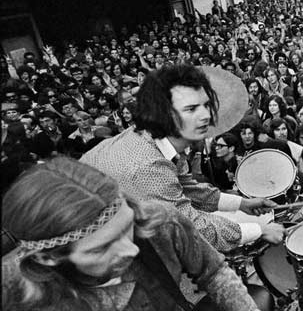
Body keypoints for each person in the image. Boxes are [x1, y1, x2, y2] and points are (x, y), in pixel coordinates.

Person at [1, 159, 270, 311]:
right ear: (46, 258)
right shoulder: (7, 287)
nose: (130, 250)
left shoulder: (162, 223)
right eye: (102, 247)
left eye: (127, 227)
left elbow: (212, 271)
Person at [81, 64, 284, 253]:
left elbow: (187, 188)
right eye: (191, 109)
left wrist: (241, 203)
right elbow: (192, 229)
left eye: (206, 105)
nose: (206, 116)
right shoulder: (147, 167)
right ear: (162, 112)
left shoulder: (149, 138)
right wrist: (260, 230)